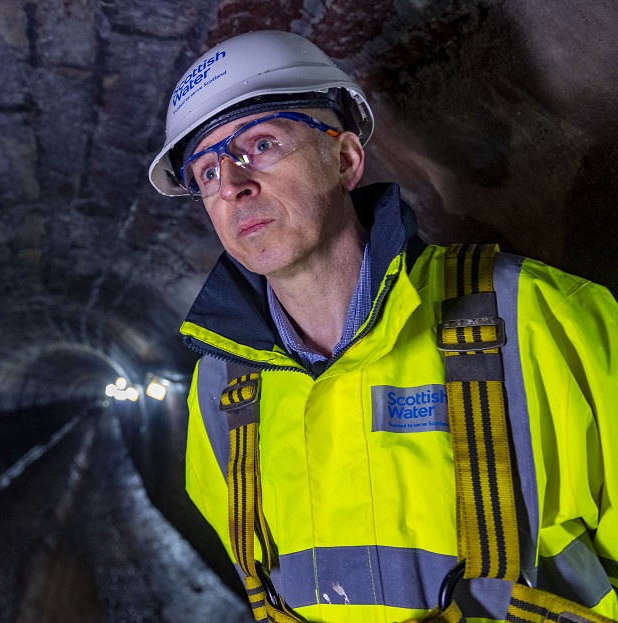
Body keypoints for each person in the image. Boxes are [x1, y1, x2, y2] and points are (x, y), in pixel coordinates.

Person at [148, 30, 618, 623]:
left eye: (260, 144)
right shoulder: (222, 391)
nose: (234, 186)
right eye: (207, 171)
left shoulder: (536, 317)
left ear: (345, 160)